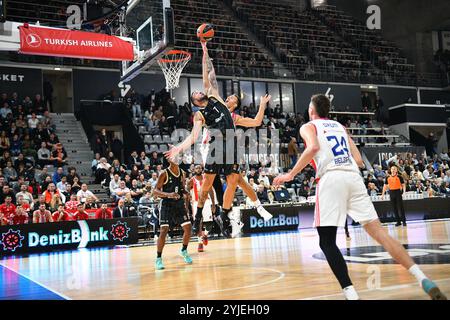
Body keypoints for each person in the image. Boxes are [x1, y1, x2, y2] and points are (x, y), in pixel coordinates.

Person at [273, 94, 446, 300]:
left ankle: (351, 294)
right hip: (353, 177)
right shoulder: (340, 127)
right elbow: (359, 160)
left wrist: (290, 174)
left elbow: (313, 148)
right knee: (381, 234)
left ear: (312, 110)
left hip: (331, 179)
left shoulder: (308, 126)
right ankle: (423, 279)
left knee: (326, 242)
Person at [165, 41, 272, 238]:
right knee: (209, 184)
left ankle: (227, 213)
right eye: (195, 93)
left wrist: (263, 105)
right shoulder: (203, 111)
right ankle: (201, 217)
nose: (229, 97)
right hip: (211, 147)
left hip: (229, 146)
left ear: (234, 104)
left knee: (235, 179)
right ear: (196, 102)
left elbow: (256, 121)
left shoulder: (228, 109)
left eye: (233, 98)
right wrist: (205, 51)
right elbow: (208, 77)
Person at [152, 159, 192, 270]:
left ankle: (184, 250)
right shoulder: (164, 173)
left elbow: (182, 188)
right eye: (175, 157)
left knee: (188, 228)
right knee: (164, 231)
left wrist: (186, 193)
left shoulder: (182, 173)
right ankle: (158, 258)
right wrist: (169, 194)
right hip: (166, 204)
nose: (178, 159)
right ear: (170, 160)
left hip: (178, 204)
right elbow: (155, 191)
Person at [187, 165, 215, 252]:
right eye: (196, 168)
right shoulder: (191, 181)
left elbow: (211, 191)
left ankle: (205, 235)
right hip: (196, 203)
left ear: (202, 169)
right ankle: (200, 243)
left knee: (209, 224)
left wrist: (213, 204)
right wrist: (187, 207)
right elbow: (187, 195)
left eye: (200, 168)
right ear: (194, 170)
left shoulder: (206, 179)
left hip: (206, 202)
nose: (198, 169)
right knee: (198, 224)